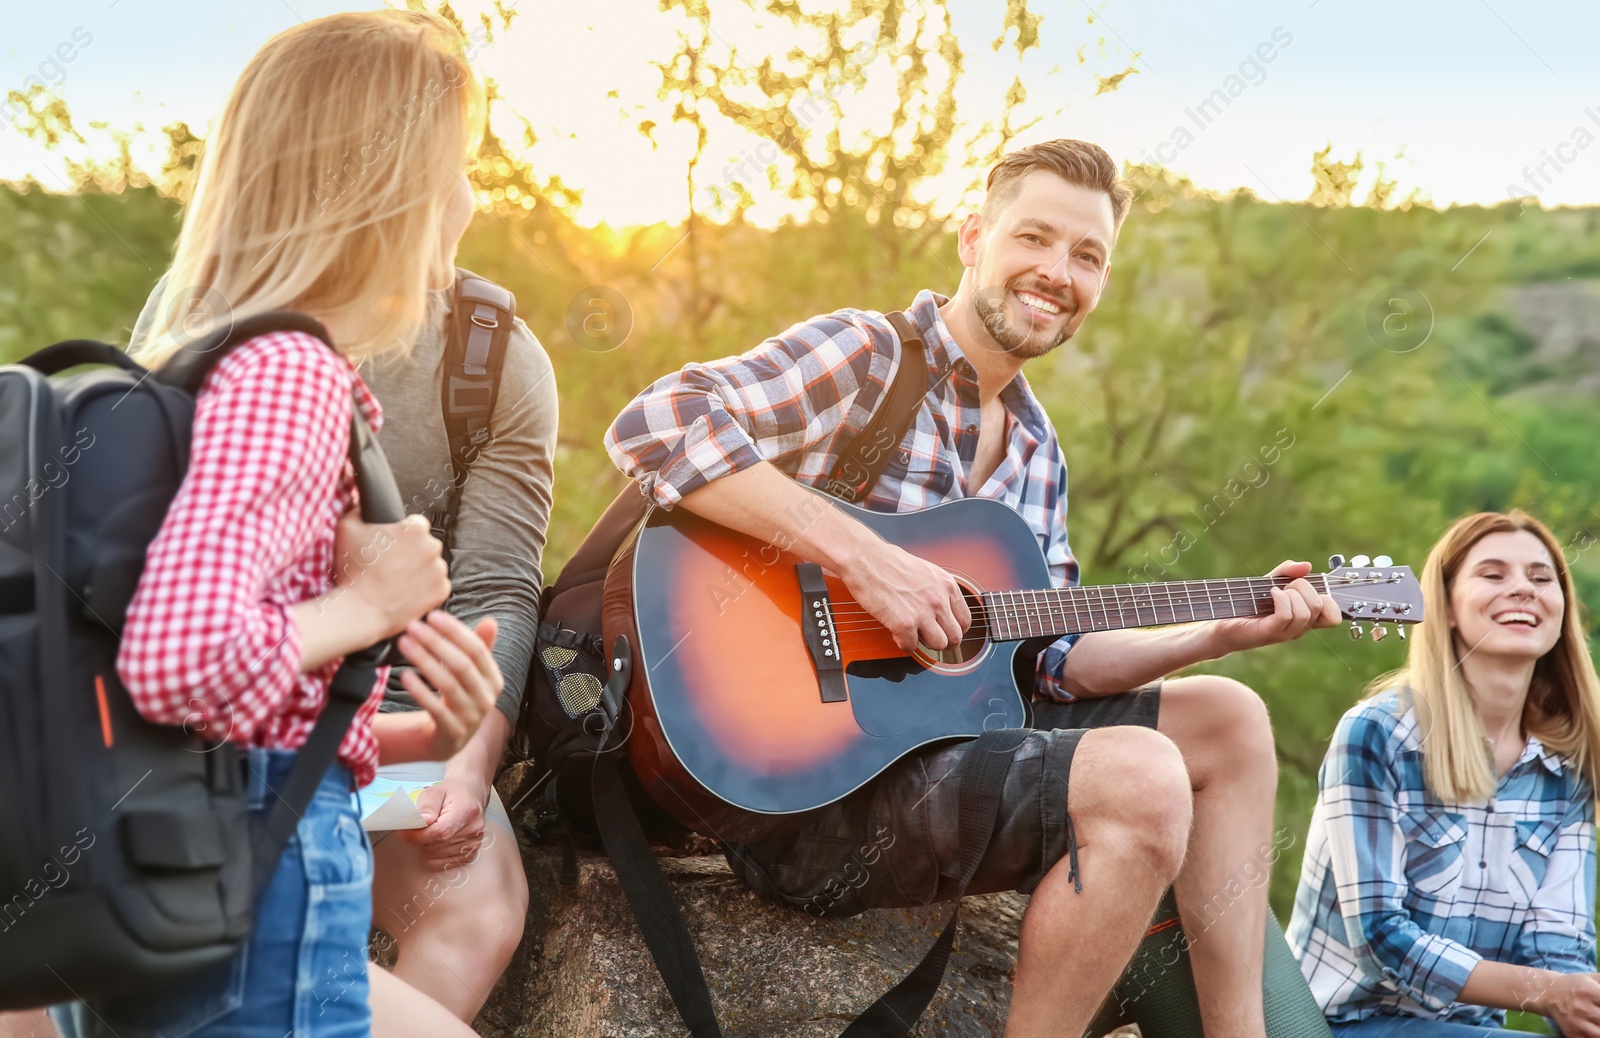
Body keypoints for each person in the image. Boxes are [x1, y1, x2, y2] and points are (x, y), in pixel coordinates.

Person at [604, 138, 1340, 1037]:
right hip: (807, 785)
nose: (1057, 272)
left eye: (1087, 256)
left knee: (1230, 717)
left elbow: (1053, 659)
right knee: (1144, 779)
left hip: (945, 751)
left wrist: (1222, 629)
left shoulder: (1038, 450)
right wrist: (864, 559)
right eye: (1034, 238)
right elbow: (654, 424)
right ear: (972, 239)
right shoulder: (871, 357)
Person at [47, 12, 504, 1038]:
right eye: (457, 167)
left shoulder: (203, 369)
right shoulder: (288, 376)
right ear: (385, 191)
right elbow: (181, 660)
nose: (470, 199)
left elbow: (221, 718)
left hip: (178, 871)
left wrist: (424, 733)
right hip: (257, 897)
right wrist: (367, 602)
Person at [129, 269, 554, 1029]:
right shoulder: (228, 324)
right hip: (199, 733)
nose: (462, 188)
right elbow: (169, 635)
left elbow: (499, 588)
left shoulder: (490, 356)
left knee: (477, 906)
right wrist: (358, 608)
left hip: (365, 737)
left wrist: (460, 761)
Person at [1289, 510, 1600, 1037]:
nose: (1523, 589)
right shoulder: (1377, 733)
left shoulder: (1569, 766)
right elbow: (1381, 940)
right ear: (1448, 607)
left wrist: (1583, 1003)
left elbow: (1559, 945)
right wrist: (1548, 995)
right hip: (1341, 1024)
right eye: (1494, 575)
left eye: (1541, 578)